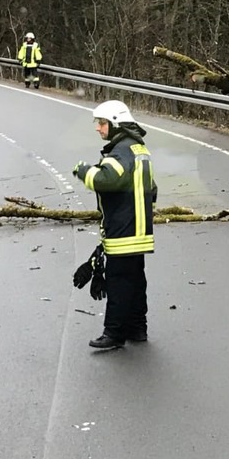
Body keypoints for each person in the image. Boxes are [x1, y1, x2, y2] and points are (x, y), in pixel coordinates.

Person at [73, 100, 158, 348]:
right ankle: (137, 327)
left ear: (115, 124)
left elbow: (106, 180)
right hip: (139, 229)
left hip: (124, 229)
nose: (98, 129)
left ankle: (114, 334)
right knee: (135, 279)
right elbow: (151, 188)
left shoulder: (121, 152)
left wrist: (83, 170)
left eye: (101, 123)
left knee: (118, 280)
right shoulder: (139, 149)